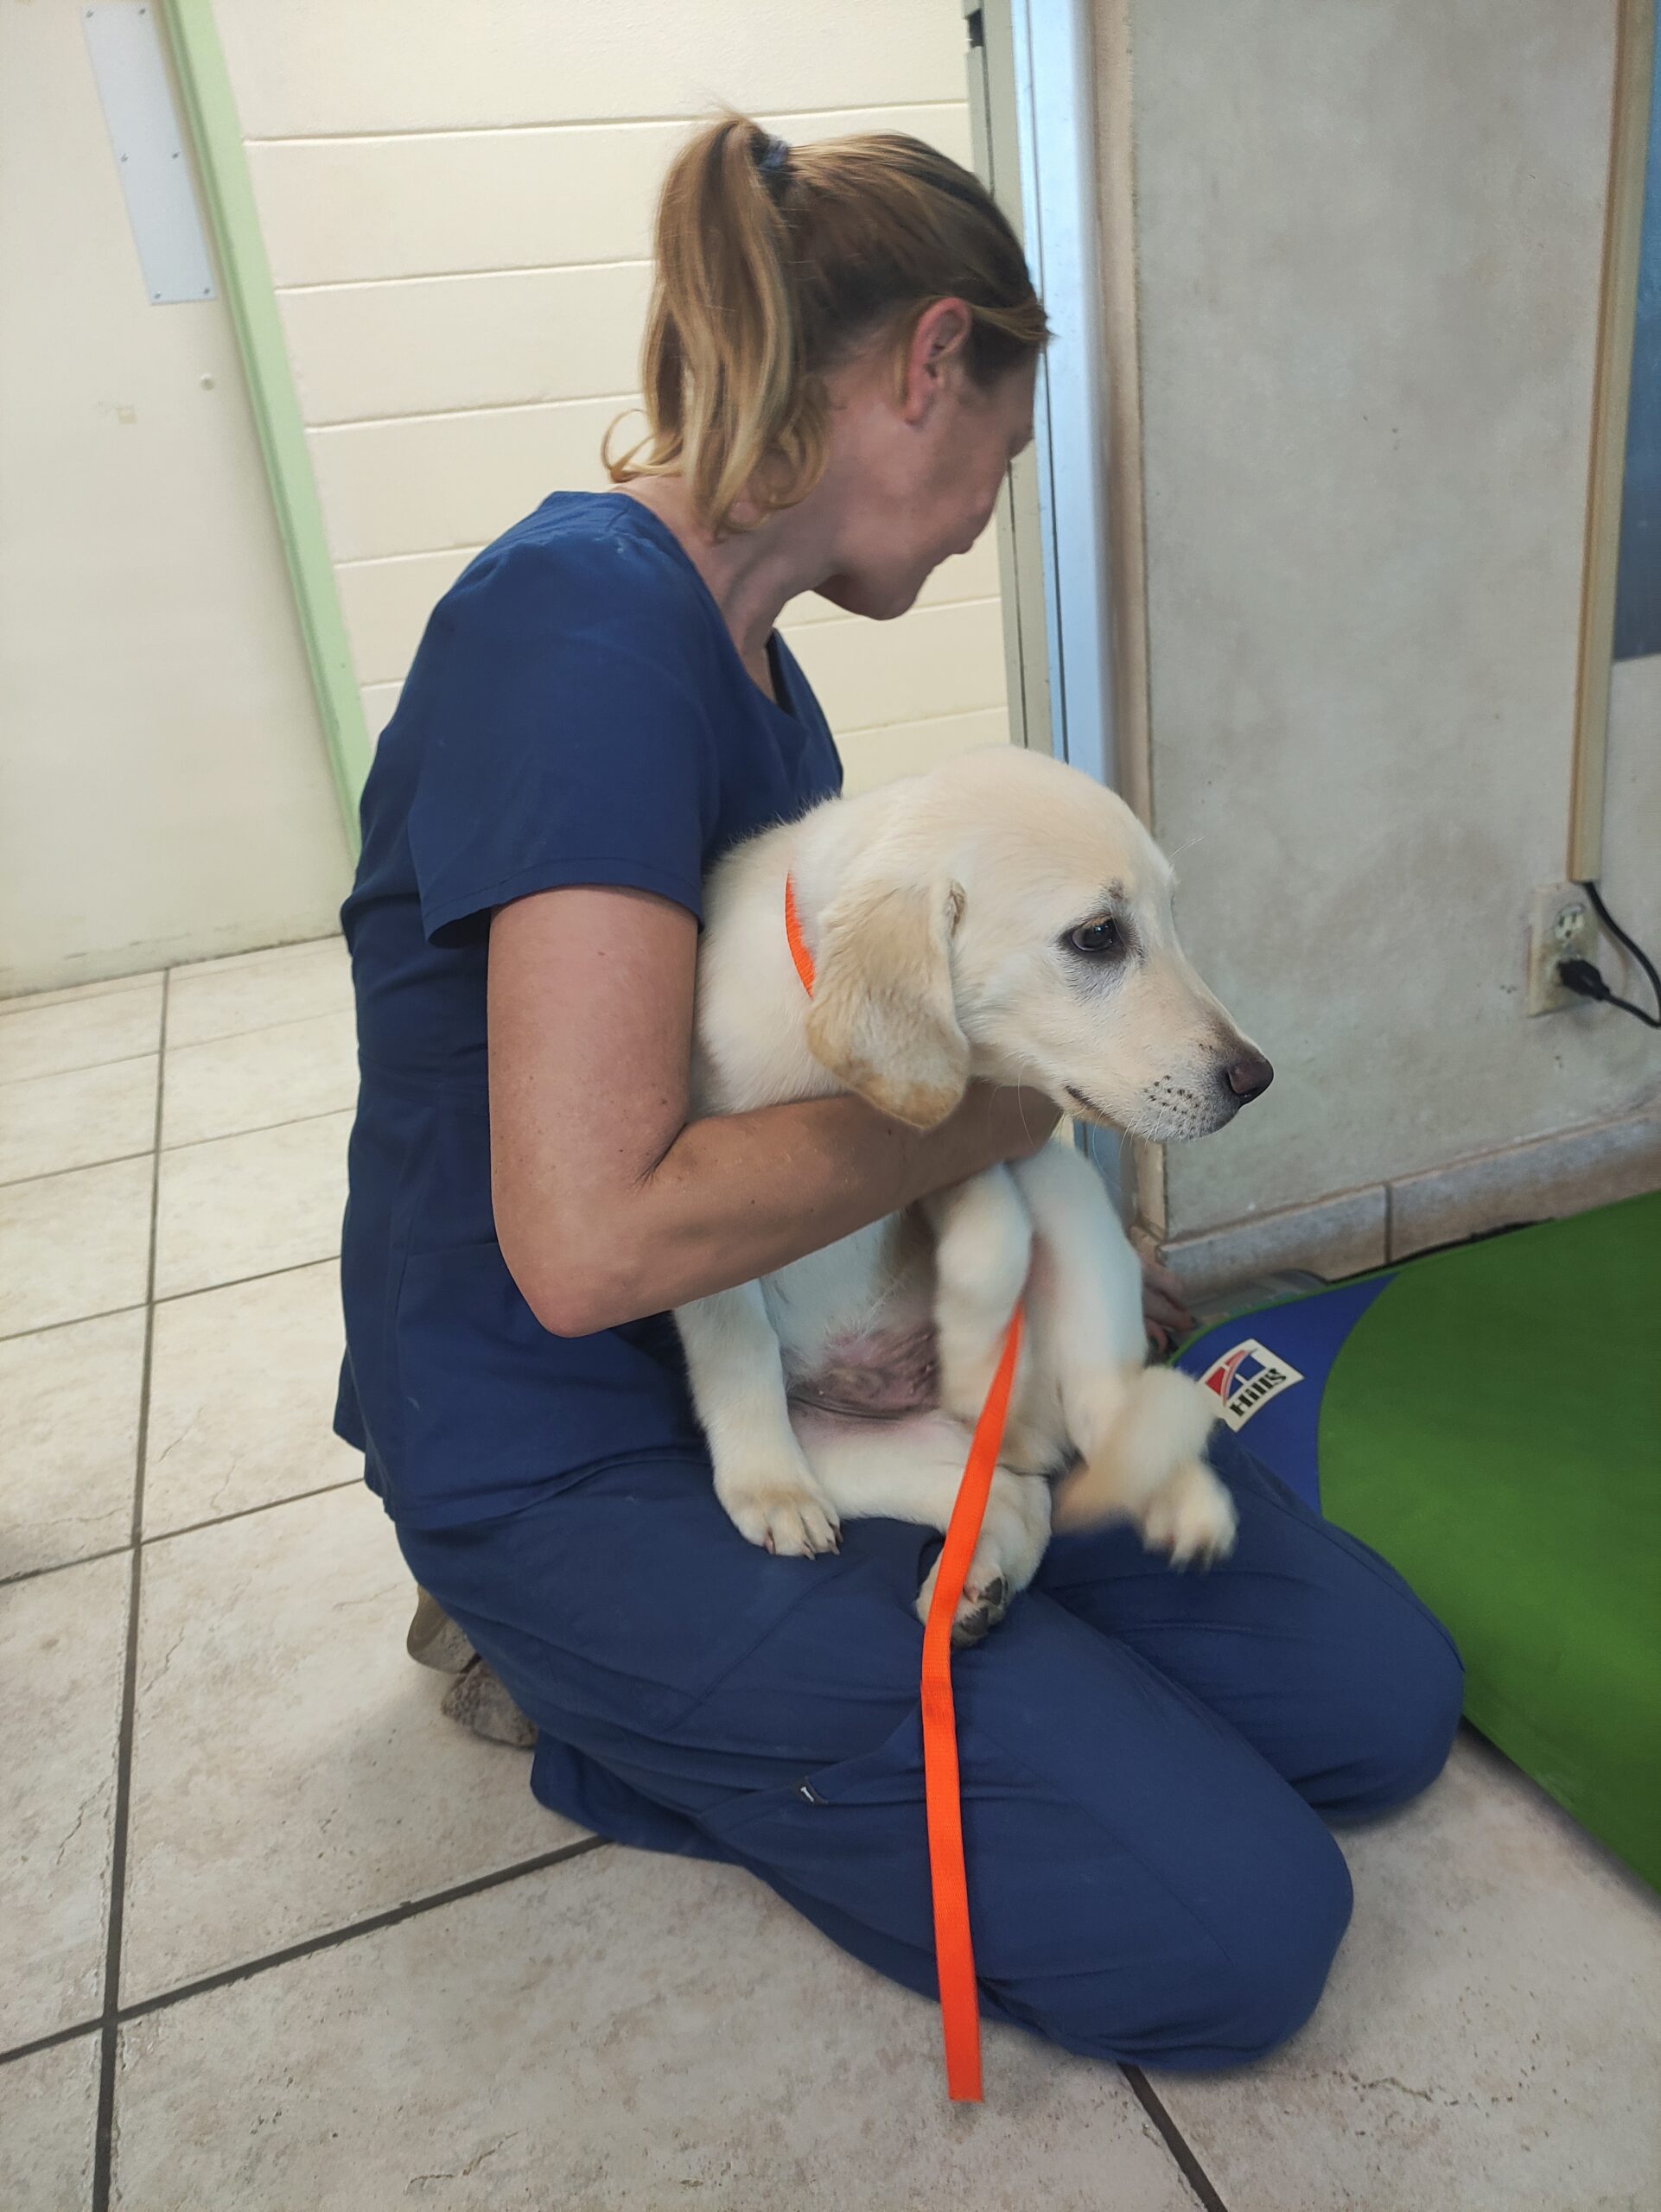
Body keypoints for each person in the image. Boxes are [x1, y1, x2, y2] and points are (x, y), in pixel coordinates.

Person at [335, 116, 1461, 2069]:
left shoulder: (773, 692)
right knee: (1238, 1932)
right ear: (931, 359)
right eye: (999, 462)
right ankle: (572, 1673)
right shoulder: (576, 638)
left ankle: (939, 1667)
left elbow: (869, 1092)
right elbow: (593, 1245)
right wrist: (1012, 1122)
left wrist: (1038, 1243)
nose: (975, 521)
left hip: (827, 1348)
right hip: (579, 1435)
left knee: (1375, 1704)